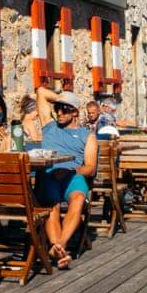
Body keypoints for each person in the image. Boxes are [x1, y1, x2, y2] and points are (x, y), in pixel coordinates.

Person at [32, 86, 98, 269]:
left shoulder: (87, 136)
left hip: (73, 174)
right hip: (49, 174)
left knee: (77, 198)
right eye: (57, 108)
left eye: (65, 109)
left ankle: (58, 245)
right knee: (51, 204)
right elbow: (41, 92)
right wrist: (62, 99)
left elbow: (90, 168)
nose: (59, 112)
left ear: (76, 111)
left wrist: (73, 172)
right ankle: (59, 248)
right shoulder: (49, 126)